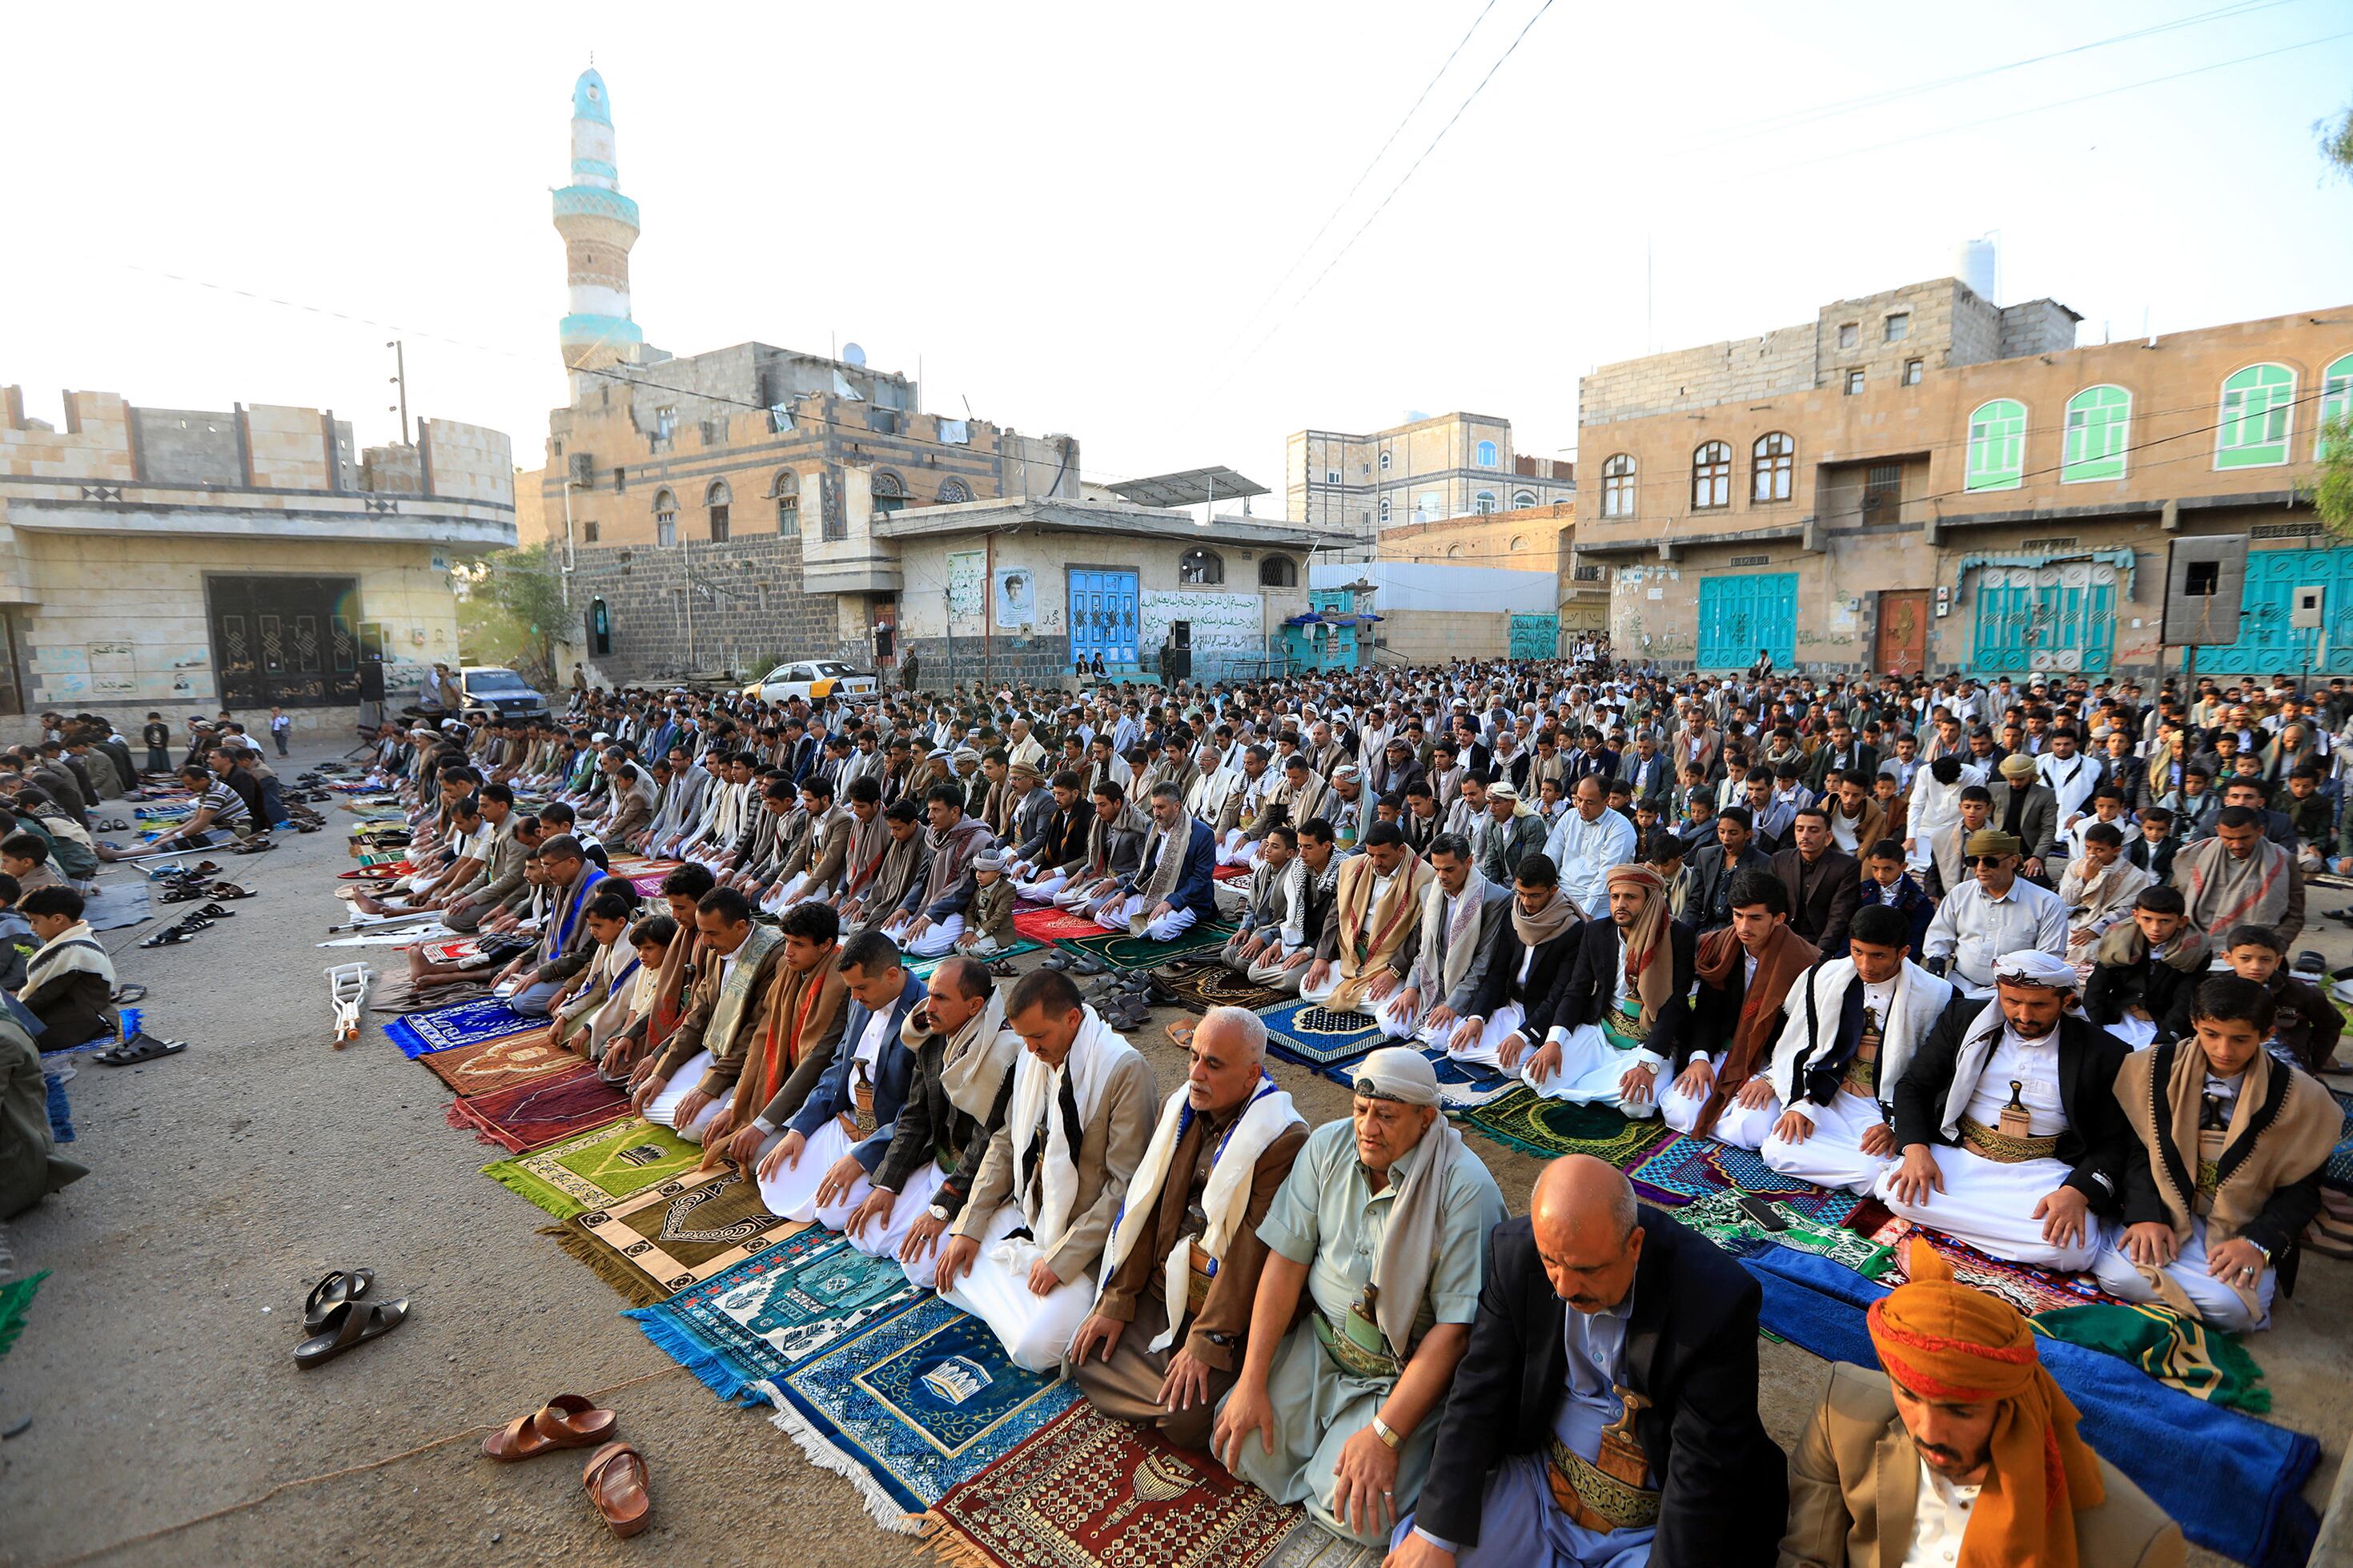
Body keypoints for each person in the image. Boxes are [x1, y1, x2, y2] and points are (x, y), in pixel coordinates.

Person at [1391, 1157, 1789, 1568]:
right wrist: (1433, 1535)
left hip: (1653, 1525)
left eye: (1586, 1270)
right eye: (1551, 1262)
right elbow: (1476, 1395)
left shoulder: (1715, 1302)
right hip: (1544, 1486)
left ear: (1634, 1246)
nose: (1564, 1287)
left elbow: (1701, 1477)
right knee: (1424, 1556)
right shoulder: (1518, 1255)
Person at [1212, 1047, 1507, 1548]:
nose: (1368, 1127)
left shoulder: (1465, 1190)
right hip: (1321, 1347)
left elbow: (1455, 1333)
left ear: (1426, 1118)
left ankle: (1350, 1456)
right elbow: (1285, 1264)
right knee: (1237, 1445)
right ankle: (1325, 1454)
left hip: (1399, 1375)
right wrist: (1252, 1380)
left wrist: (1385, 1436)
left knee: (1357, 1516)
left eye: (1386, 1116)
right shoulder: (1328, 1148)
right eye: (1360, 1110)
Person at [1779, 1237, 2184, 1568]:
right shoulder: (1843, 1413)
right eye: (1909, 1395)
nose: (1929, 1433)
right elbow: (1807, 1556)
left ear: (2010, 1404)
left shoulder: (2136, 1545)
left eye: (1960, 1409)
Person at [1072, 1006, 1308, 1450]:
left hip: (1226, 1306)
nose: (1196, 1073)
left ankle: (1189, 1386)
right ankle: (1162, 1390)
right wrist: (1118, 1299)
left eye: (1213, 1064)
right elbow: (1147, 1206)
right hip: (1166, 1289)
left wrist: (1206, 1341)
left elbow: (1250, 1255)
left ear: (1251, 1074)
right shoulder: (1179, 1107)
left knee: (1187, 1421)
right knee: (1087, 1357)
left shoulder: (1282, 1139)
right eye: (1194, 1056)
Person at [934, 967, 1156, 1372]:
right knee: (938, 1258)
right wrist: (971, 1222)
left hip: (1086, 1239)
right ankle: (1022, 1302)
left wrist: (1062, 1259)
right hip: (1031, 1214)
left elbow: (1124, 1187)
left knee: (1034, 1350)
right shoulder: (1031, 1058)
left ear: (1073, 1018)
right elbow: (1007, 1143)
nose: (1031, 1049)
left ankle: (1023, 1305)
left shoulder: (1123, 1070)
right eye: (1023, 1038)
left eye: (1039, 1037)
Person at [2093, 975, 2339, 1333]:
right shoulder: (2151, 1069)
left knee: (2233, 1311)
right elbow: (2136, 1150)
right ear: (2194, 1024)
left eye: (2240, 1039)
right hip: (2167, 1208)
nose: (2224, 1050)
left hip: (2243, 1221)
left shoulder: (2304, 1098)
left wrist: (2256, 1243)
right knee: (2119, 1278)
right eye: (2211, 1034)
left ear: (2267, 1033)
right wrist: (2146, 1215)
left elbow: (2302, 1190)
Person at [1879, 950, 2131, 1272]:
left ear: (2067, 1001)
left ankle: (1973, 1226)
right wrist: (1915, 1149)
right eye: (2012, 1002)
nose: (2024, 1015)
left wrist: (2077, 1192)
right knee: (1900, 1195)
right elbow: (1914, 1085)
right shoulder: (1964, 1019)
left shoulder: (2105, 1052)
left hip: (2041, 1170)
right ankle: (2005, 1238)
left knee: (2070, 1251)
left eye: (2039, 1005)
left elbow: (2115, 1140)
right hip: (1964, 1155)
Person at [840, 952, 1014, 1288]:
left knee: (921, 1270)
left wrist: (943, 1207)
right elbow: (915, 1114)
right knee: (865, 1233)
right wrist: (888, 1182)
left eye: (941, 998)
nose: (928, 1006)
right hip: (939, 1160)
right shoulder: (933, 1034)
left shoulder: (1004, 1055)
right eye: (930, 994)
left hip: (977, 1181)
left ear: (975, 1005)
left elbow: (987, 1145)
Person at [753, 928, 925, 1224]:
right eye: (852, 989)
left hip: (888, 1134)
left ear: (892, 975)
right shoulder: (861, 1000)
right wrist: (800, 1129)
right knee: (771, 1171)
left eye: (861, 988)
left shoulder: (925, 1015)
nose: (855, 997)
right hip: (849, 1119)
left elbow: (918, 1111)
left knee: (833, 1214)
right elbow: (837, 1068)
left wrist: (861, 1158)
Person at [1658, 871, 1819, 1149]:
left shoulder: (1808, 964)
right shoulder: (1721, 946)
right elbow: (1707, 1011)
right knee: (1678, 1110)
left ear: (1778, 919)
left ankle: (1732, 1109)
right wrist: (1700, 1058)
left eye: (1755, 918)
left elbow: (1807, 1037)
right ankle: (1722, 1106)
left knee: (1748, 1130)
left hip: (1772, 1063)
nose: (1743, 927)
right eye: (1737, 915)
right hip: (1725, 1050)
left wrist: (1771, 1080)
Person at [1523, 863, 1689, 1117]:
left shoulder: (1679, 936)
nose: (1620, 904)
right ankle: (1606, 1086)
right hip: (1602, 1032)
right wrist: (1554, 1041)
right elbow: (1576, 990)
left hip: (1649, 1039)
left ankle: (1606, 1085)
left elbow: (1674, 1005)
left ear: (1650, 900)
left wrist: (1648, 1065)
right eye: (1615, 897)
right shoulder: (1597, 931)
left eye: (1630, 897)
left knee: (1637, 1106)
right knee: (1535, 1075)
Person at [631, 886, 789, 1143]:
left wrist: (708, 1088)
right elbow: (696, 1016)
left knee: (693, 1128)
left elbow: (754, 1035)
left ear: (740, 927)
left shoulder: (774, 957)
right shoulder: (718, 949)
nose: (704, 942)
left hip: (746, 1065)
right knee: (645, 1094)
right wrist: (662, 1070)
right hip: (715, 1051)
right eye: (702, 932)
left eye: (711, 933)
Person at [1377, 834, 1514, 1059]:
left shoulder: (1495, 899)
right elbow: (1424, 949)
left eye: (1449, 869)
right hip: (1430, 981)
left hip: (1464, 988)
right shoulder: (1429, 892)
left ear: (1468, 863)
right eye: (1437, 868)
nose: (1441, 876)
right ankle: (1425, 1022)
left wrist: (1453, 1005)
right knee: (1388, 1019)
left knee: (1438, 1039)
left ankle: (1433, 1025)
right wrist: (1411, 987)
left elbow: (1483, 963)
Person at [2166, 924, 2341, 1073]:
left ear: (2277, 961)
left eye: (2265, 959)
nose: (2255, 967)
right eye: (2245, 959)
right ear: (2227, 958)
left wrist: (2313, 1060)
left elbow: (2331, 1023)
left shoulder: (2298, 993)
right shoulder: (2213, 989)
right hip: (2224, 1058)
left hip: (2281, 1061)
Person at [1918, 829, 2066, 999]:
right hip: (1960, 985)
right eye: (1973, 861)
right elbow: (1939, 933)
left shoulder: (2047, 903)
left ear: (2013, 861)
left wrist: (2015, 984)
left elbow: (2049, 959)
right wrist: (1936, 961)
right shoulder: (1961, 893)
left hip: (2018, 993)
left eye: (1990, 861)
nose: (1980, 868)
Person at [1301, 822, 1431, 1012]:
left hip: (1388, 962)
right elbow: (1335, 915)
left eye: (1383, 856)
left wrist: (1394, 972)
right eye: (1371, 855)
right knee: (1307, 987)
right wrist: (1322, 956)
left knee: (1380, 1005)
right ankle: (1354, 994)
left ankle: (1354, 995)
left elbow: (1418, 934)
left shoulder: (1425, 877)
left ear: (1401, 850)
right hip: (1352, 958)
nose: (1376, 862)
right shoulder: (1353, 867)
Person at [2081, 887, 2206, 1052]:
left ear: (2181, 921)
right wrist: (2093, 1029)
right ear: (2136, 916)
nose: (2155, 928)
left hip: (2161, 1023)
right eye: (2147, 919)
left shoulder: (2193, 952)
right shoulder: (2118, 943)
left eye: (2165, 921)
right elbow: (2097, 988)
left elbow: (2184, 1001)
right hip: (2119, 1017)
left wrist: (2165, 1040)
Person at [2172, 804, 2304, 949]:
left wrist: (2274, 944)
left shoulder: (2284, 861)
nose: (2237, 845)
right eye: (2228, 838)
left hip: (2257, 949)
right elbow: (2175, 903)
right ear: (2218, 832)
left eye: (2244, 838)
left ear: (2260, 831)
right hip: (2196, 944)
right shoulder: (2196, 855)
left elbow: (2295, 915)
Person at [15, 886, 115, 1052]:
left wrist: (11, 1015)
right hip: (82, 1016)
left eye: (35, 921)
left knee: (9, 1042)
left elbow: (42, 997)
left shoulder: (73, 953)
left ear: (57, 919)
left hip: (78, 1026)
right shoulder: (80, 936)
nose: (32, 928)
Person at [1773, 807, 1861, 957]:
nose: (1805, 836)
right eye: (1800, 829)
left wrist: (1818, 955)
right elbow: (1772, 906)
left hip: (1823, 943)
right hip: (1783, 939)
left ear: (1828, 837)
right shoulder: (1780, 861)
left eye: (1813, 830)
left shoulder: (1847, 867)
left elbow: (1839, 917)